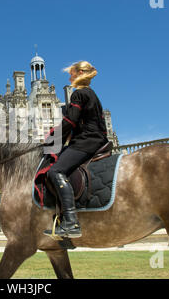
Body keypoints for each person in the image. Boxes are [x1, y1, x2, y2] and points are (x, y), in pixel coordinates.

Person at [43, 61, 109, 238]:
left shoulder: (79, 94)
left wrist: (51, 137)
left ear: (80, 73)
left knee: (55, 171)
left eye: (71, 73)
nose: (70, 77)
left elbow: (70, 122)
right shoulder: (91, 94)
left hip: (87, 141)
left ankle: (71, 222)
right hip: (96, 139)